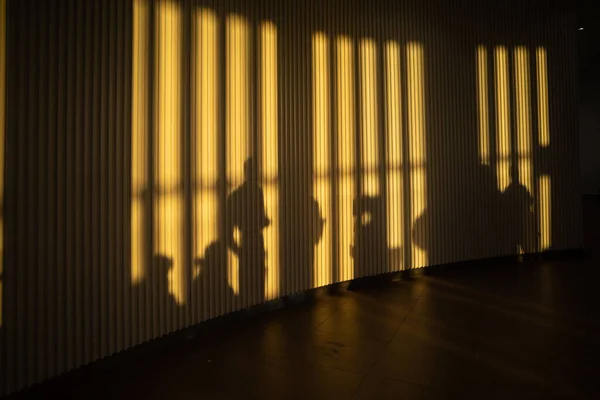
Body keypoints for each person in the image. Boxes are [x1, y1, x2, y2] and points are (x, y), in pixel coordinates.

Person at [226, 158, 270, 303]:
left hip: (248, 242)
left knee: (248, 286)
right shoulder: (256, 191)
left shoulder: (238, 195)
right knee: (257, 286)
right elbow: (261, 219)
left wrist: (239, 251)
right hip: (254, 241)